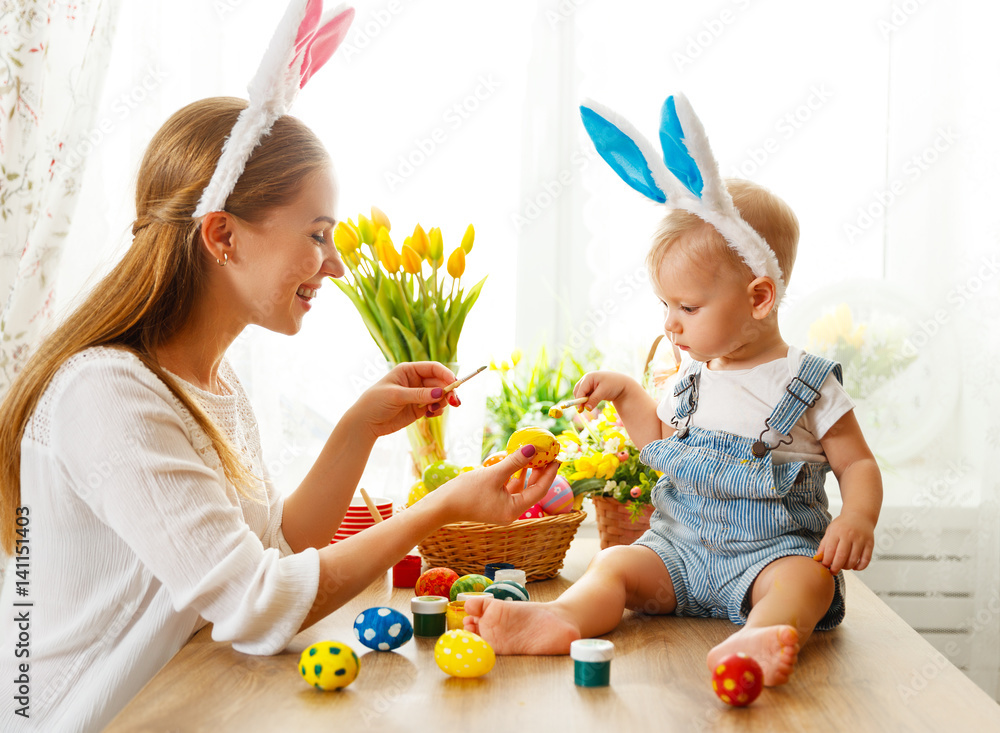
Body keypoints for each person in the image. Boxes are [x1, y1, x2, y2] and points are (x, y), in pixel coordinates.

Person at [0, 95, 560, 732]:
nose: (337, 263)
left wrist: (359, 428)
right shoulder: (108, 394)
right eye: (318, 235)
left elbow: (275, 549)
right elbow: (257, 603)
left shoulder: (215, 382)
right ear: (223, 235)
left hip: (181, 702)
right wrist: (437, 508)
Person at [464, 178, 883, 687]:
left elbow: (856, 463)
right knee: (615, 561)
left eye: (687, 307)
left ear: (759, 298)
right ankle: (562, 618)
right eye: (665, 306)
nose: (671, 324)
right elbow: (662, 444)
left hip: (770, 557)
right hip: (676, 554)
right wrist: (626, 395)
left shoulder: (807, 382)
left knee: (809, 580)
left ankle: (760, 633)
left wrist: (857, 516)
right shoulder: (691, 378)